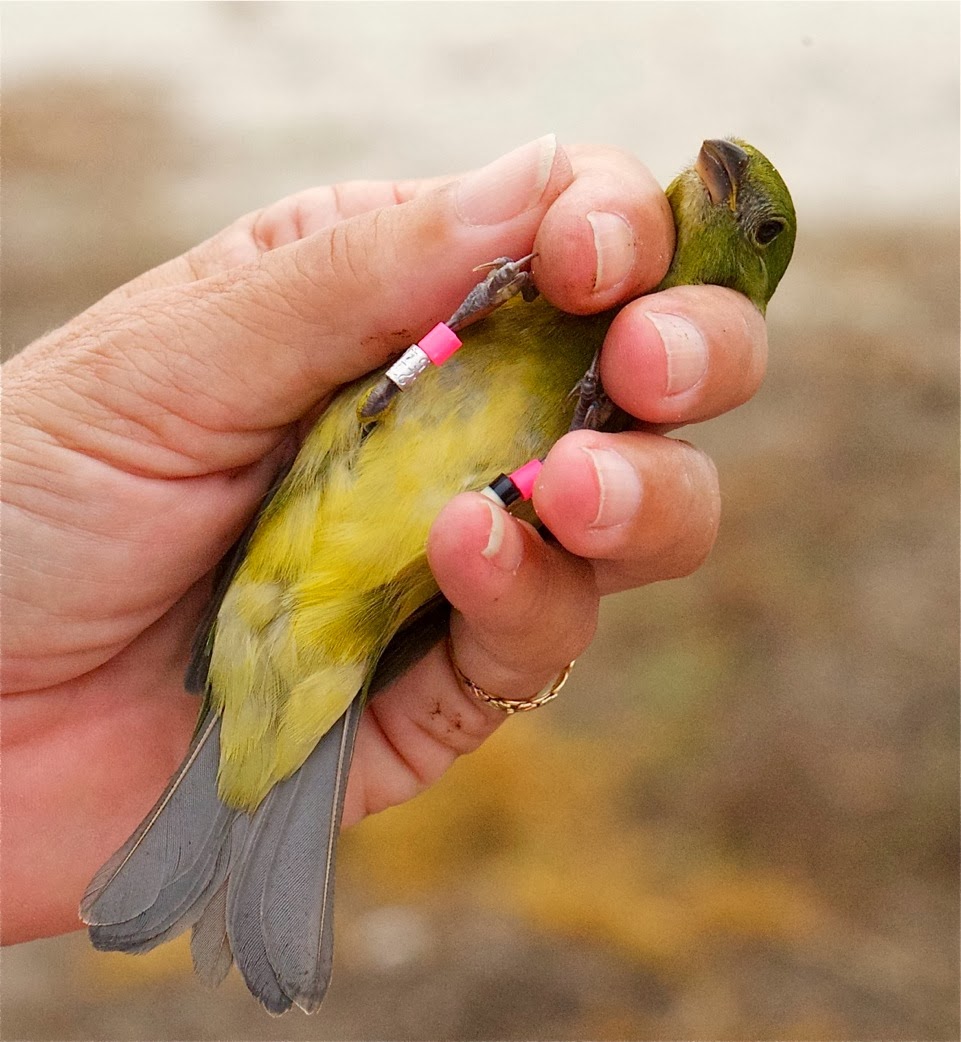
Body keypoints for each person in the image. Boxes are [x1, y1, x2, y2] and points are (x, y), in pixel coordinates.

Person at [0, 136, 767, 945]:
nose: (724, 176)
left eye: (759, 231)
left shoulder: (623, 369)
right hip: (269, 583)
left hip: (360, 622)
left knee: (554, 490)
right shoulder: (550, 281)